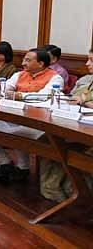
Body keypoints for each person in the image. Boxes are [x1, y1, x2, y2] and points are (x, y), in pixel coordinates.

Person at [0, 48, 63, 183]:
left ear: (40, 63)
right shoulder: (20, 74)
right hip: (12, 116)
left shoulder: (55, 77)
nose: (23, 63)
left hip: (37, 120)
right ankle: (5, 161)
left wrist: (19, 95)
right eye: (24, 59)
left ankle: (23, 167)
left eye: (28, 60)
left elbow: (45, 96)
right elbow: (5, 88)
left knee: (19, 133)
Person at [39, 48, 93, 201]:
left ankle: (76, 193)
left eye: (91, 60)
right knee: (49, 140)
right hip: (76, 125)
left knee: (69, 146)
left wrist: (86, 102)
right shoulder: (86, 81)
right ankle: (53, 189)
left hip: (87, 134)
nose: (87, 64)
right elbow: (72, 98)